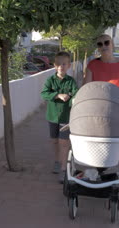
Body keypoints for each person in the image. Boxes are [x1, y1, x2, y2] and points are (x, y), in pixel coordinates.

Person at [41, 51, 79, 183]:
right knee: (55, 141)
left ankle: (64, 169)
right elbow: (44, 94)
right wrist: (58, 95)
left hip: (66, 118)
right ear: (54, 66)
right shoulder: (50, 80)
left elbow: (76, 94)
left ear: (69, 65)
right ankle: (57, 161)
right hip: (52, 116)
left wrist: (73, 99)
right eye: (58, 64)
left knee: (64, 143)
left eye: (64, 64)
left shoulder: (71, 81)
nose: (61, 67)